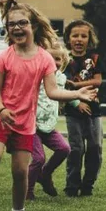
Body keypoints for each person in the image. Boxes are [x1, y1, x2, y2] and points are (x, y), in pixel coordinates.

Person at [0, 0, 97, 211]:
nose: (17, 28)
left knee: (21, 171)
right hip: (0, 116)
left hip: (25, 123)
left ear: (33, 26)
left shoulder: (44, 58)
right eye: (11, 24)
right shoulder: (5, 57)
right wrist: (1, 109)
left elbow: (53, 91)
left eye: (22, 23)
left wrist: (77, 94)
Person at [62, 19, 103, 196]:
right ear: (68, 38)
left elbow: (97, 81)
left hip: (94, 111)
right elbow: (61, 83)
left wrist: (77, 86)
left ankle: (88, 185)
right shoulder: (64, 59)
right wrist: (77, 101)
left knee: (95, 147)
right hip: (73, 111)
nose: (79, 39)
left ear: (89, 39)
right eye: (75, 36)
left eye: (83, 36)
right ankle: (72, 185)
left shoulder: (94, 58)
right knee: (76, 149)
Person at [27, 44, 73, 200]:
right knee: (38, 158)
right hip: (33, 125)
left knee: (64, 149)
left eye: (58, 59)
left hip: (49, 125)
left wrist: (77, 101)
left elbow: (62, 94)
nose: (54, 62)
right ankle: (27, 191)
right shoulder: (36, 75)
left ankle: (45, 174)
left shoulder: (61, 78)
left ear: (63, 61)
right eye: (50, 58)